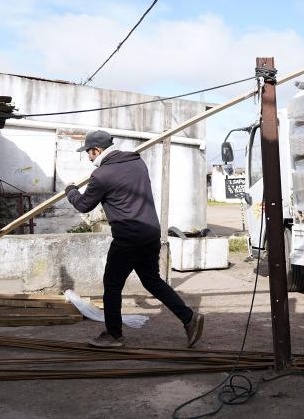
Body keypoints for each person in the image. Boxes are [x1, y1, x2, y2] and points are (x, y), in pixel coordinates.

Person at [65, 130, 204, 349]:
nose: (89, 158)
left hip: (128, 237)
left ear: (97, 150)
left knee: (112, 285)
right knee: (152, 281)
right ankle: (188, 318)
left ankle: (113, 335)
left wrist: (71, 190)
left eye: (89, 153)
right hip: (150, 233)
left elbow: (83, 204)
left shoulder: (102, 175)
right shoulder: (138, 163)